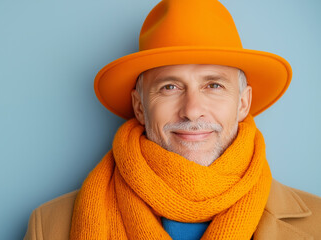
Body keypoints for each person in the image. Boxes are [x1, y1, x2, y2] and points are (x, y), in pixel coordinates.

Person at [24, 0, 321, 239]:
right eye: (170, 87)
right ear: (140, 108)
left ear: (243, 104)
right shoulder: (49, 226)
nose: (192, 110)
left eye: (213, 85)